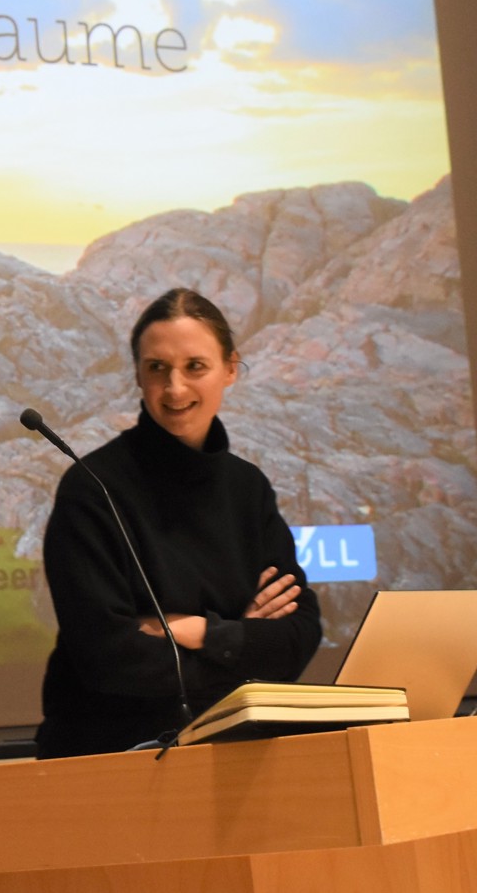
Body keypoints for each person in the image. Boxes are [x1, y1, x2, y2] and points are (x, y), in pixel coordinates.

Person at [35, 288, 321, 759]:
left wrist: (197, 631)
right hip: (109, 761)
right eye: (157, 368)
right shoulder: (92, 489)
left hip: (235, 756)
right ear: (138, 375)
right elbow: (110, 660)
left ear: (230, 368)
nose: (175, 389)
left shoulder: (249, 489)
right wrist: (242, 647)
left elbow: (298, 638)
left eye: (195, 367)